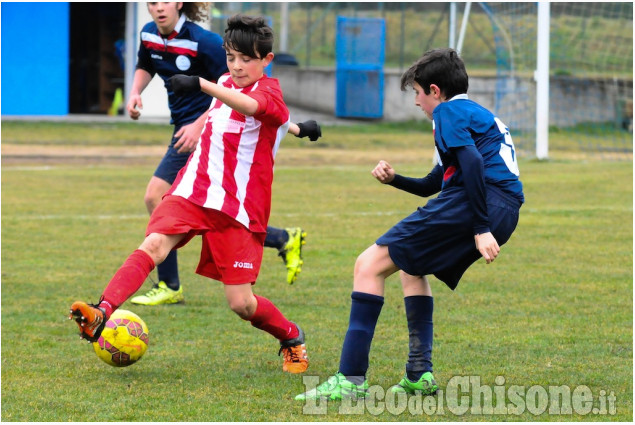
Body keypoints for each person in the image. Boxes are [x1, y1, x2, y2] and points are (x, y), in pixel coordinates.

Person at [70, 13, 311, 374]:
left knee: (241, 303)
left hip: (238, 206)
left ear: (267, 60)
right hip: (194, 190)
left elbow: (253, 107)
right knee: (153, 245)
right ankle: (101, 312)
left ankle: (291, 336)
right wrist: (297, 128)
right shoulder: (227, 82)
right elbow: (235, 109)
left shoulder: (268, 91)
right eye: (231, 57)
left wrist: (201, 83)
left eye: (247, 59)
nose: (237, 66)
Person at [295, 48, 524, 400]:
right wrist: (394, 180)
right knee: (409, 267)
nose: (416, 101)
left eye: (417, 92)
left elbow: (475, 167)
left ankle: (350, 378)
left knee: (368, 264)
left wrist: (480, 227)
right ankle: (419, 373)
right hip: (504, 207)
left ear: (434, 91)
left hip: (479, 204)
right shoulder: (474, 114)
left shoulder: (447, 112)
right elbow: (435, 182)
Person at [126, 2, 319, 307]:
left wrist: (198, 125)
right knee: (203, 208)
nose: (159, 7)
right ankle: (282, 238)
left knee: (157, 197)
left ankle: (169, 284)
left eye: (165, 0)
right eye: (152, 2)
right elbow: (145, 65)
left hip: (206, 134)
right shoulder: (148, 34)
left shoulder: (206, 42)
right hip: (184, 130)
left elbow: (238, 96)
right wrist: (135, 92)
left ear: (179, 3)